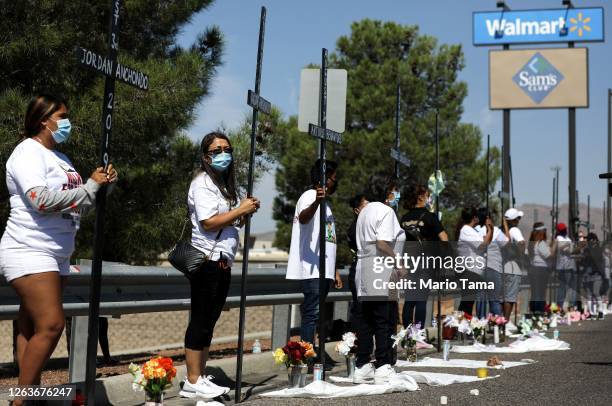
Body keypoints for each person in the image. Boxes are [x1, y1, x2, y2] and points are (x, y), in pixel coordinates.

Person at [0, 94, 117, 404]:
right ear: (43, 121)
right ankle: (22, 400)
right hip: (29, 248)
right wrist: (89, 186)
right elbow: (41, 200)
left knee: (30, 328)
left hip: (56, 253)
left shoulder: (61, 159)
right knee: (52, 325)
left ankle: (31, 396)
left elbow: (76, 206)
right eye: (62, 117)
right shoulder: (27, 152)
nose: (67, 122)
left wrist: (100, 186)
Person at [179, 132, 260, 399]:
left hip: (222, 260)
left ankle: (200, 376)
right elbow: (209, 222)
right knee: (201, 320)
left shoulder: (223, 186)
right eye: (216, 150)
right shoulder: (202, 183)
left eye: (227, 149)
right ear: (205, 157)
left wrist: (244, 213)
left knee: (209, 321)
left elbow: (229, 222)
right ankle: (192, 380)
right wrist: (239, 210)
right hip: (206, 260)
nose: (223, 153)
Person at [286, 159, 342, 356]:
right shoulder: (310, 196)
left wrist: (334, 269)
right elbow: (303, 217)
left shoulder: (326, 204)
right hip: (312, 270)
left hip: (324, 270)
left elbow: (326, 240)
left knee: (317, 316)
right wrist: (317, 201)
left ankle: (311, 352)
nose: (335, 182)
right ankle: (304, 357)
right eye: (333, 178)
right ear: (325, 179)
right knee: (311, 315)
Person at [353, 177, 406, 384]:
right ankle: (384, 365)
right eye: (394, 191)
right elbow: (382, 243)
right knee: (384, 320)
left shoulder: (365, 211)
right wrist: (399, 263)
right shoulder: (386, 211)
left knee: (366, 320)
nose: (396, 195)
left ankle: (363, 365)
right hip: (381, 268)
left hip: (364, 268)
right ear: (388, 193)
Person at [400, 184, 448, 328]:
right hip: (425, 263)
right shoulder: (429, 216)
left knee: (409, 300)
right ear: (421, 197)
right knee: (421, 299)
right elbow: (444, 238)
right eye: (427, 195)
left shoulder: (404, 218)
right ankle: (418, 334)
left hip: (408, 262)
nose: (429, 198)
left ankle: (408, 335)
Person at [455, 208, 493, 316]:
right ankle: (461, 327)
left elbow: (485, 242)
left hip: (473, 272)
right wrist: (489, 230)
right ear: (474, 218)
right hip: (469, 271)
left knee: (468, 302)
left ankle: (462, 327)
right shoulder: (466, 230)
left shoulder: (471, 230)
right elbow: (482, 245)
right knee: (467, 303)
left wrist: (489, 229)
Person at [474, 208, 509, 317]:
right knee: (494, 299)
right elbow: (507, 243)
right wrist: (505, 226)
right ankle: (497, 327)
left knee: (480, 299)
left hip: (478, 269)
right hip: (493, 268)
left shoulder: (474, 230)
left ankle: (480, 326)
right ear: (488, 218)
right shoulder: (497, 231)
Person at [347, 194, 368, 331]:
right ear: (357, 210)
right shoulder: (355, 228)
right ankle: (358, 343)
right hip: (360, 271)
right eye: (366, 205)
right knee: (360, 310)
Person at [502, 208, 526, 323]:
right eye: (518, 218)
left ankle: (502, 321)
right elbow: (522, 243)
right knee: (510, 297)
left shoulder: (502, 230)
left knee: (504, 297)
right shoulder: (515, 230)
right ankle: (505, 323)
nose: (519, 220)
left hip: (503, 266)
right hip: (513, 266)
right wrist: (520, 255)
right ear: (514, 220)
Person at [527, 222, 555, 313]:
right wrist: (555, 244)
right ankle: (539, 313)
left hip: (533, 269)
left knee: (535, 293)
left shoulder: (532, 243)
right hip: (541, 270)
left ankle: (534, 312)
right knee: (541, 294)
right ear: (541, 232)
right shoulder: (541, 243)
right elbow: (550, 255)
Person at [554, 223, 577, 310]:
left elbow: (571, 252)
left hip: (571, 266)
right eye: (563, 229)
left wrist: (578, 248)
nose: (565, 230)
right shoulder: (558, 238)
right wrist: (568, 245)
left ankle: (572, 306)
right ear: (559, 231)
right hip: (562, 267)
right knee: (562, 287)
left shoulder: (568, 238)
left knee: (573, 287)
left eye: (565, 229)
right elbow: (562, 249)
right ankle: (559, 307)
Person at [582, 233, 604, 316]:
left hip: (596, 274)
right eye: (587, 240)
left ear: (594, 240)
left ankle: (600, 310)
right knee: (589, 294)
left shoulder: (598, 249)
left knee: (596, 292)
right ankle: (591, 312)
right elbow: (583, 261)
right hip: (587, 274)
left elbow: (596, 259)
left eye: (589, 240)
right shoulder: (586, 250)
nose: (588, 241)